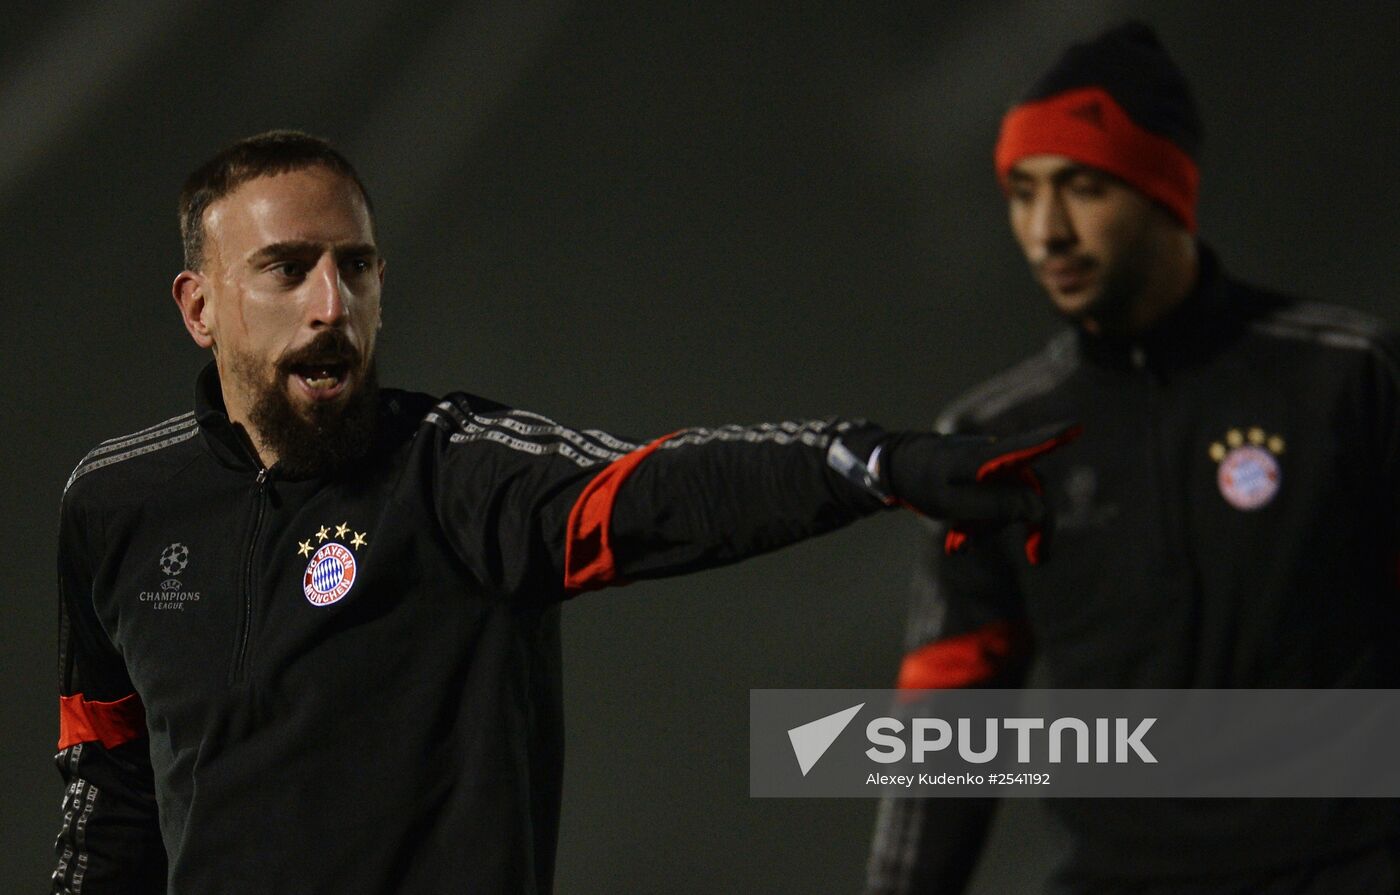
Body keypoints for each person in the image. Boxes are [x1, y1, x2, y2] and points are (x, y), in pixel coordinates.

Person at [50, 130, 1075, 894]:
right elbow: (111, 787)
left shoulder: (453, 471)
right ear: (199, 306)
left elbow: (654, 490)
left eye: (355, 266)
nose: (333, 306)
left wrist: (866, 460)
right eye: (287, 269)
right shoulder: (115, 505)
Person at [865, 21, 1400, 895]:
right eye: (1023, 192)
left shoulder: (1348, 377)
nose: (1048, 231)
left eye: (1083, 187)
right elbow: (948, 718)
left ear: (1166, 191)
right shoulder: (992, 437)